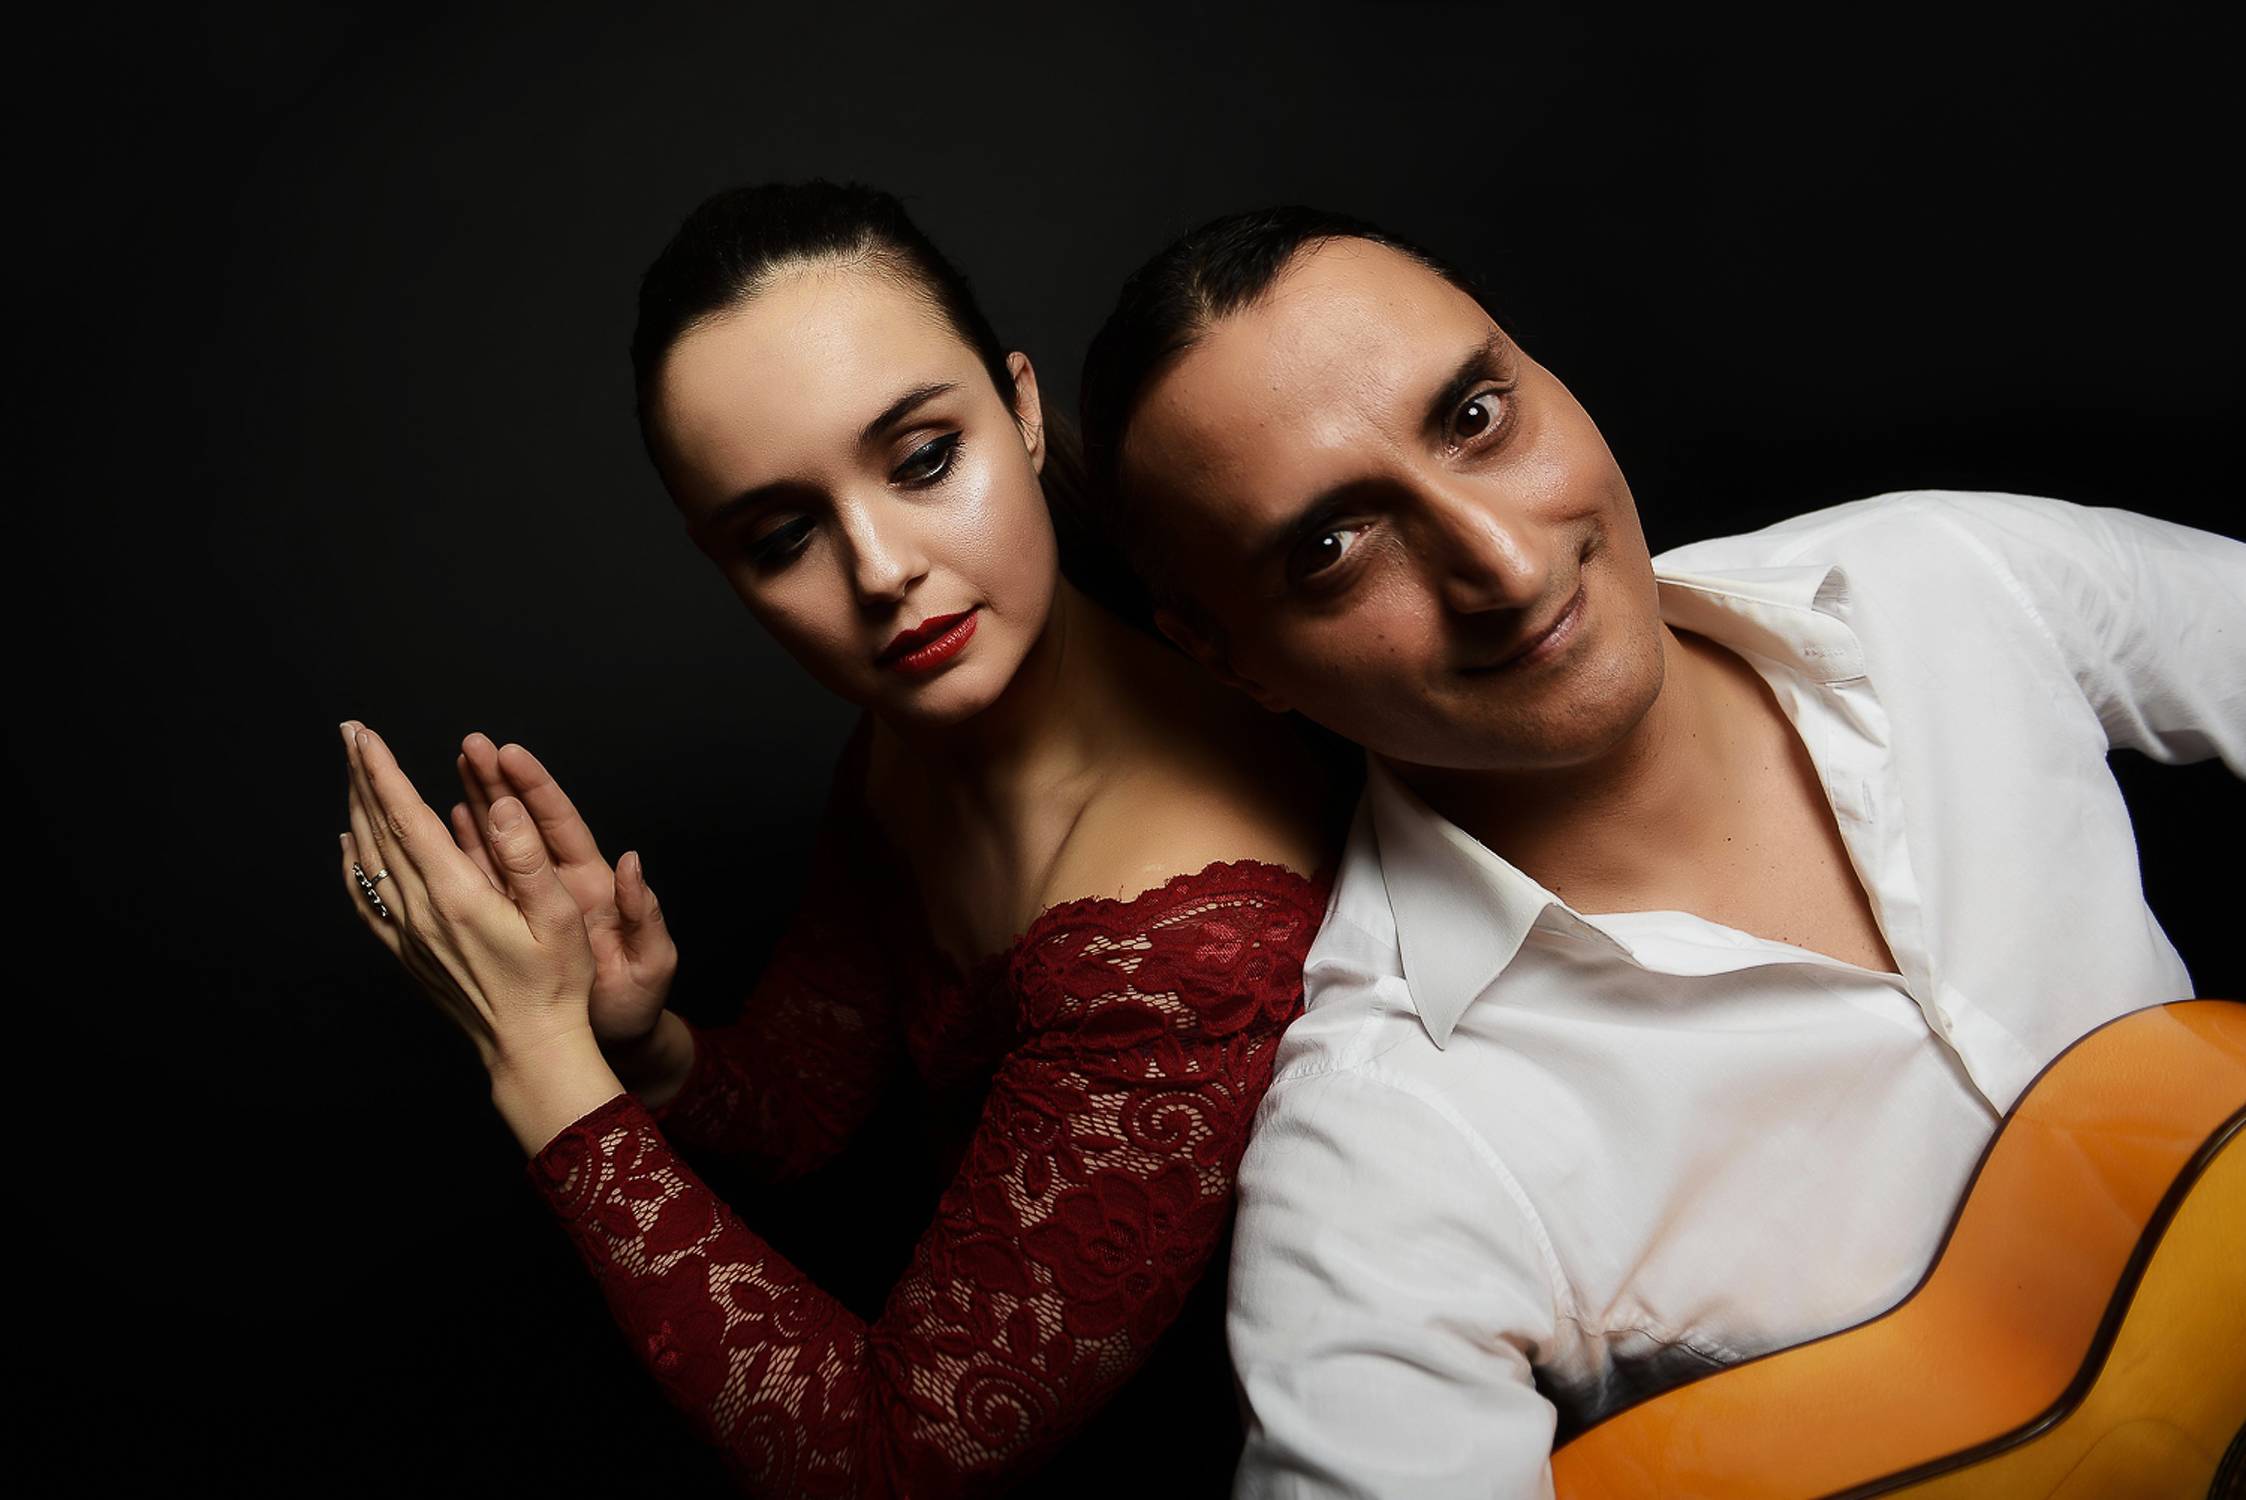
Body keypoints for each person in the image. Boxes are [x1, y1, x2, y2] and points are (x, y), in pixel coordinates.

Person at [1073, 206, 2246, 1498]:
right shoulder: (1385, 1156)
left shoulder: (1936, 579)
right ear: (1228, 658)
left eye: (1475, 417)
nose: (1506, 565)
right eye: (1331, 549)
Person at [334, 180, 1344, 1497]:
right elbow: (812, 1102)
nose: (879, 569)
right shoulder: (917, 733)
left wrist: (530, 1051)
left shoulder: (1188, 939)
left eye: (923, 459)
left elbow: (888, 1461)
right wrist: (643, 1043)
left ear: (1024, 410)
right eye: (781, 535)